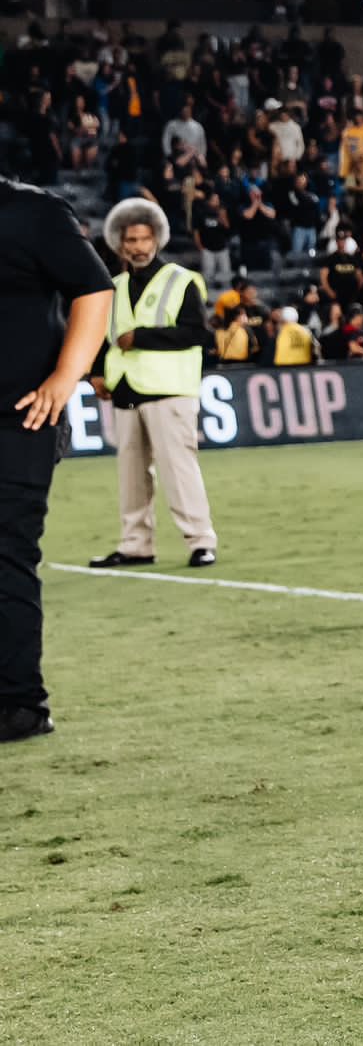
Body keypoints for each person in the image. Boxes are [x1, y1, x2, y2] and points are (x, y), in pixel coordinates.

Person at [1, 179, 114, 743]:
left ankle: (20, 705)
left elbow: (93, 289)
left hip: (18, 418)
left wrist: (66, 378)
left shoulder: (34, 212)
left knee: (6, 553)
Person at [87, 199, 219, 569]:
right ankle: (135, 544)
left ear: (157, 239)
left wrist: (141, 337)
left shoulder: (181, 280)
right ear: (119, 243)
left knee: (178, 468)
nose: (139, 247)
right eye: (131, 240)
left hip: (169, 388)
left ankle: (200, 540)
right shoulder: (113, 286)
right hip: (125, 389)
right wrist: (96, 371)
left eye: (145, 239)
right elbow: (102, 336)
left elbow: (198, 334)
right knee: (130, 474)